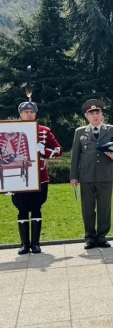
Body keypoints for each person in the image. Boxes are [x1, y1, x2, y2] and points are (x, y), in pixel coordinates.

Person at [10, 101, 62, 254]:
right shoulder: (11, 130)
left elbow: (59, 150)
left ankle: (36, 243)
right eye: (26, 112)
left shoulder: (44, 131)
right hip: (18, 178)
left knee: (36, 208)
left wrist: (44, 150)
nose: (29, 114)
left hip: (40, 177)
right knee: (22, 209)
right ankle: (24, 244)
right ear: (20, 114)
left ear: (35, 113)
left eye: (32, 112)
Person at [70, 99, 113, 250]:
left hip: (105, 174)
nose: (95, 115)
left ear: (102, 114)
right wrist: (73, 176)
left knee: (104, 207)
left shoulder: (111, 130)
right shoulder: (80, 132)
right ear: (87, 116)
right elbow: (75, 155)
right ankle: (90, 238)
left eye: (97, 112)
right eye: (91, 113)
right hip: (87, 175)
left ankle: (102, 237)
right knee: (87, 208)